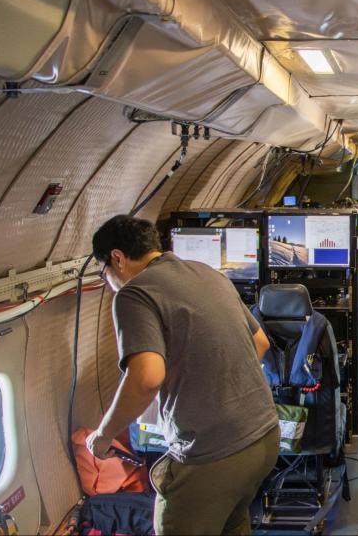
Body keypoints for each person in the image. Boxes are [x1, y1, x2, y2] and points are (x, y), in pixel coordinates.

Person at [86, 215, 279, 535]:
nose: (108, 281)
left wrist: (102, 437)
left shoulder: (133, 295)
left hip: (214, 454)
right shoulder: (208, 273)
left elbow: (146, 378)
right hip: (264, 437)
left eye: (104, 271)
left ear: (117, 259)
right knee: (232, 524)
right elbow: (259, 343)